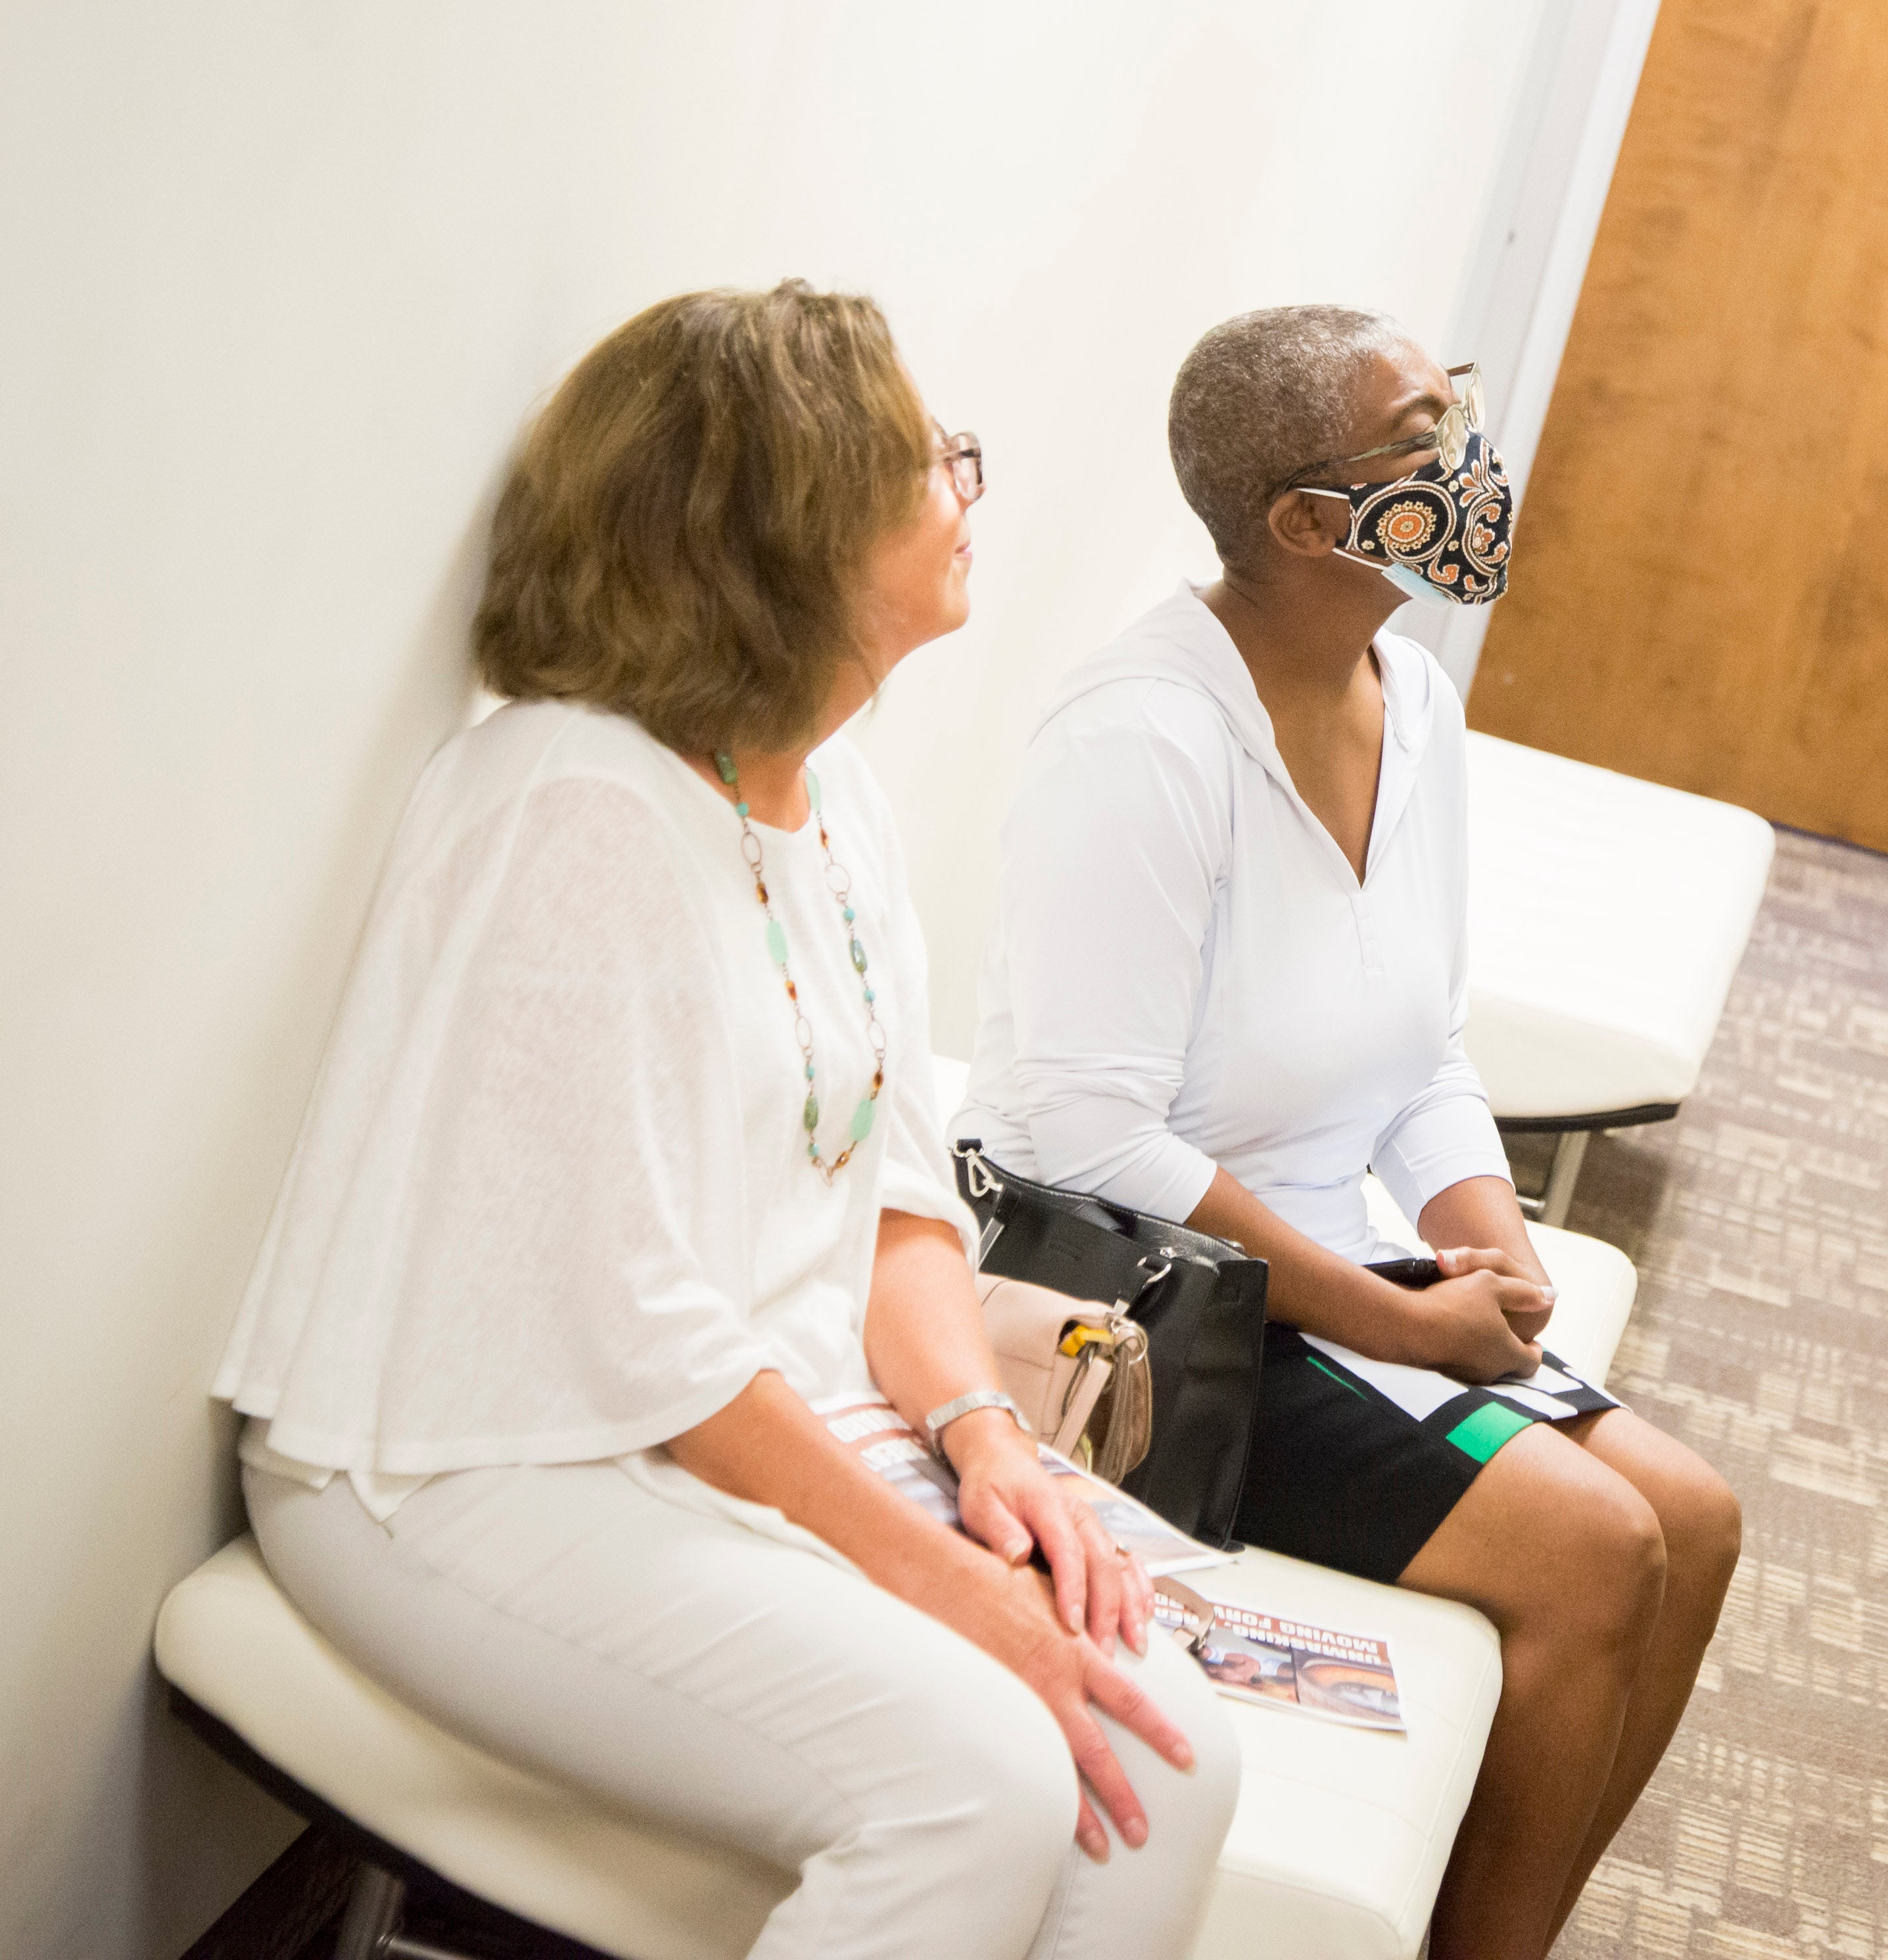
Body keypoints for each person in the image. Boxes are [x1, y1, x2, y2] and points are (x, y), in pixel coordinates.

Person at [214, 284, 1241, 1959]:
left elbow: (903, 1199)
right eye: (926, 461)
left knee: (1166, 1748)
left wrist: (986, 1442)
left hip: (735, 1418)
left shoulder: (835, 799)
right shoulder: (572, 803)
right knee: (979, 1774)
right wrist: (934, 1578)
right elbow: (626, 1321)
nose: (965, 485)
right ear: (790, 533)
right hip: (466, 1460)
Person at [956, 304, 1741, 1960]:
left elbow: (1423, 1042)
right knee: (1598, 1550)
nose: (1472, 465)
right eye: (1423, 442)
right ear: (1308, 522)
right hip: (1153, 1305)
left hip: (1333, 1262)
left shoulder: (1415, 699)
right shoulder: (1142, 743)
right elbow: (1085, 1134)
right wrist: (1395, 1315)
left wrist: (1494, 1230)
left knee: (1700, 1517)